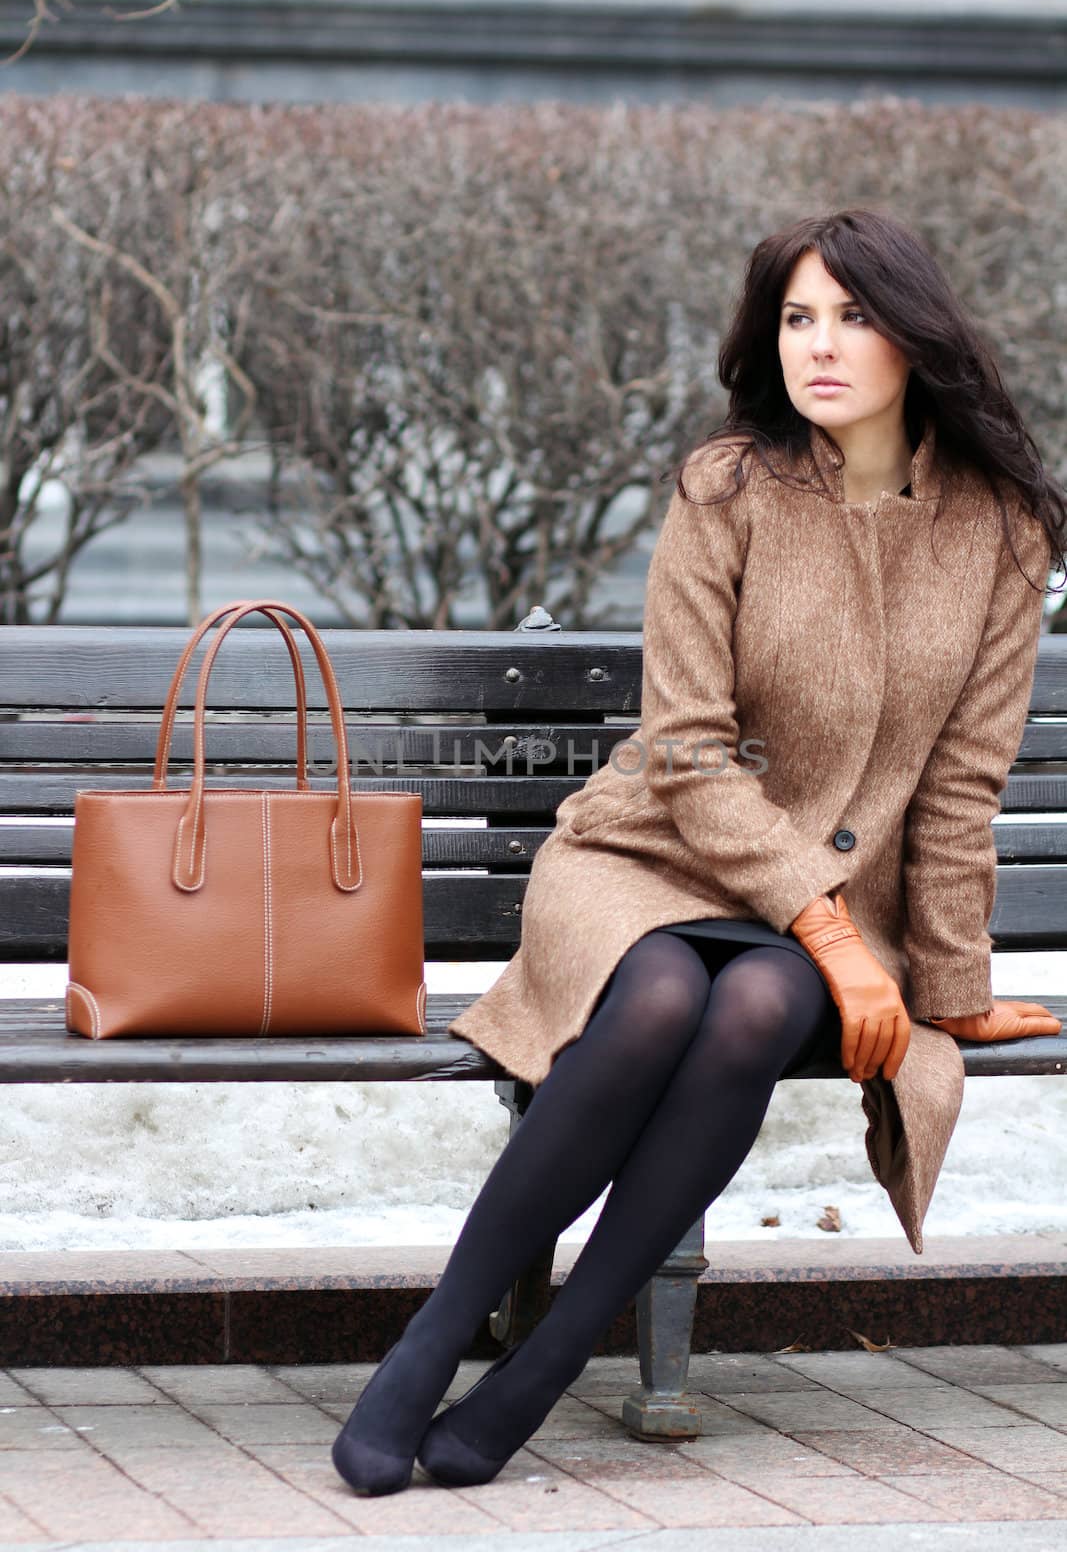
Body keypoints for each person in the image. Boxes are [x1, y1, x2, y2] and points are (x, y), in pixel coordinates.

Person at [332, 208, 1066, 1498]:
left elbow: (958, 787)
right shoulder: (725, 486)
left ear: (919, 339)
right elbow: (681, 747)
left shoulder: (1000, 533)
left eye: (852, 317)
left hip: (832, 896)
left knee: (757, 1004)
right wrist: (827, 927)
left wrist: (942, 986)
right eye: (796, 318)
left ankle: (545, 1364)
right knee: (671, 987)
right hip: (652, 855)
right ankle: (433, 1339)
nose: (819, 346)